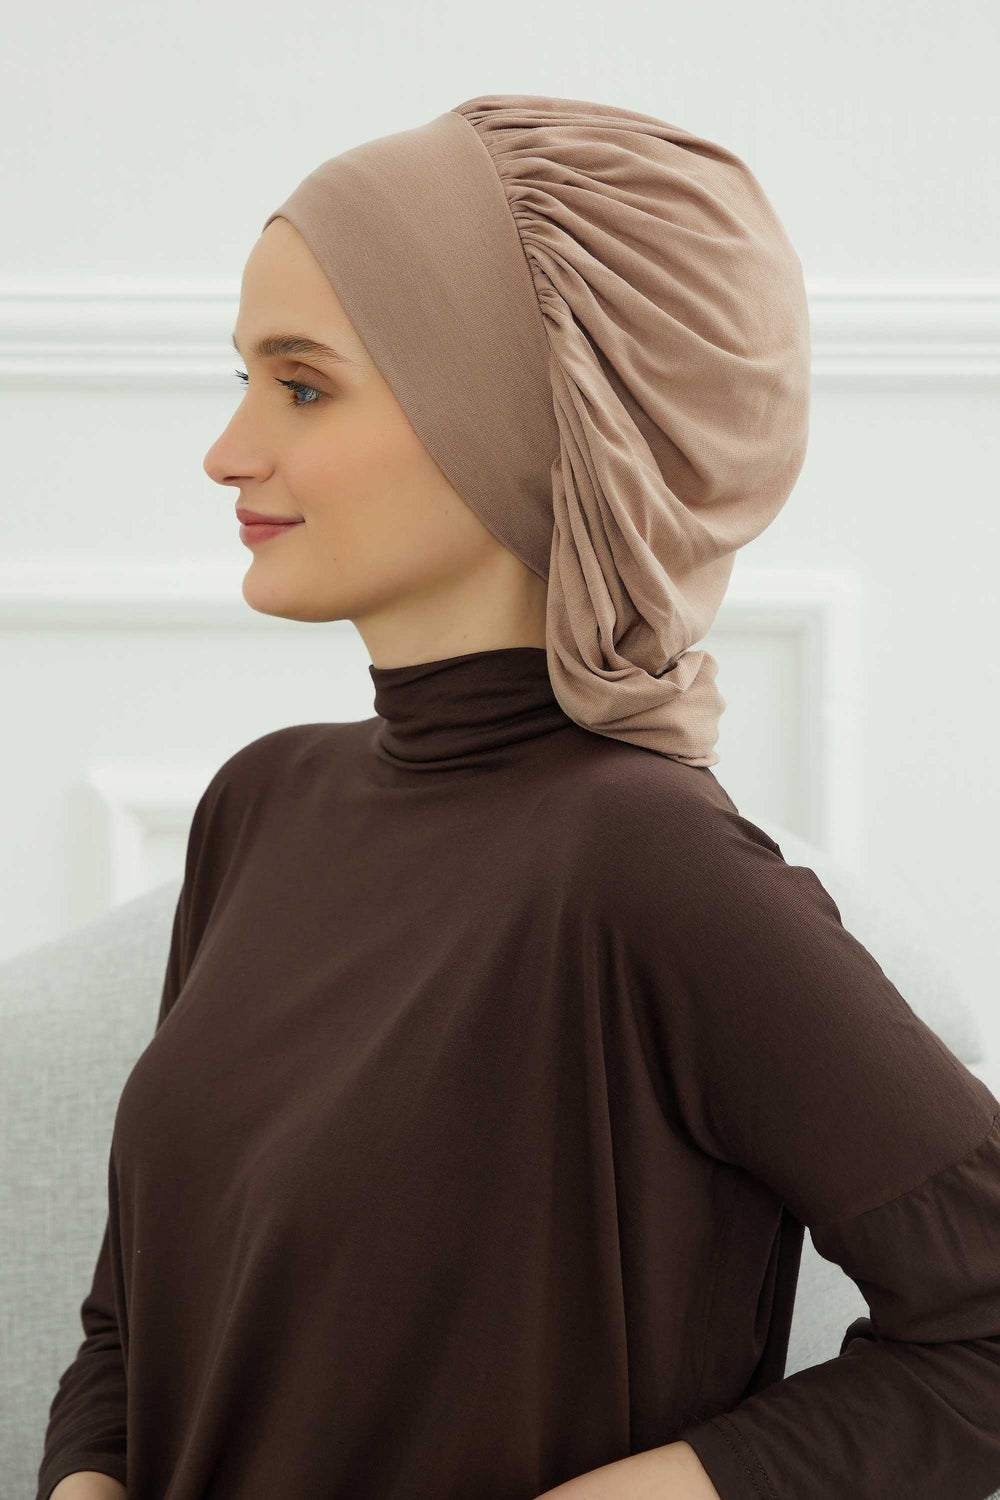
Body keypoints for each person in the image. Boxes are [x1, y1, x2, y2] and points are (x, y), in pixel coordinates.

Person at [37, 96, 1000, 1500]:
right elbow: (136, 1320)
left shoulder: (647, 862)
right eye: (243, 378)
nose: (227, 450)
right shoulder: (261, 806)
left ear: (513, 416)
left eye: (301, 387)